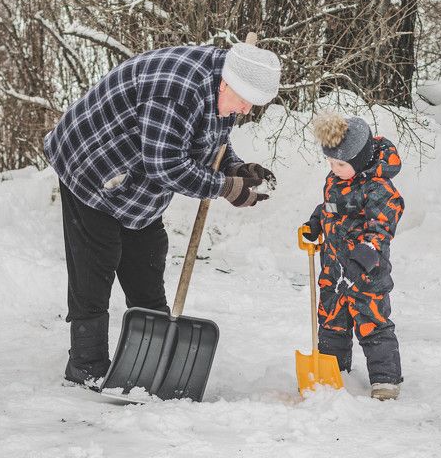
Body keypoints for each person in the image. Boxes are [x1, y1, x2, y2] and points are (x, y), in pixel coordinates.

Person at [44, 39, 282, 386]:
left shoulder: (223, 87)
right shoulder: (176, 88)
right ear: (227, 82)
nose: (245, 111)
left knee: (146, 254)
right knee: (96, 261)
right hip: (93, 164)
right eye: (244, 101)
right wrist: (225, 188)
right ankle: (86, 363)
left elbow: (210, 139)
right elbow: (166, 167)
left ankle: (154, 352)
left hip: (137, 176)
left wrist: (236, 169)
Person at [301, 112, 404, 400]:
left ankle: (385, 380)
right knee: (332, 323)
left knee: (373, 325)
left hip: (366, 274)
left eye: (340, 163)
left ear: (358, 160)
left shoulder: (379, 189)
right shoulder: (336, 180)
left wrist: (363, 259)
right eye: (330, 162)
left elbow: (380, 230)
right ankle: (334, 371)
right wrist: (315, 223)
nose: (334, 168)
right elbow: (328, 208)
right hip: (334, 270)